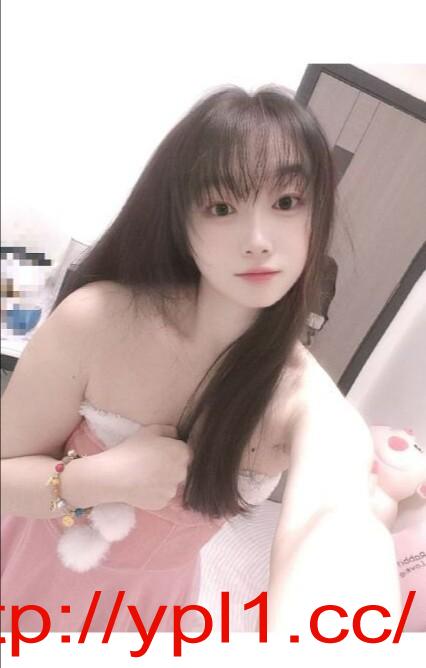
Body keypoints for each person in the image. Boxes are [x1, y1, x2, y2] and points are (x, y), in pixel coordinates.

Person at [1, 84, 401, 634]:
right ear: (181, 219)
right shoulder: (96, 319)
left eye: (286, 202)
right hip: (26, 572)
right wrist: (99, 478)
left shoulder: (302, 401)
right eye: (222, 207)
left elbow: (333, 522)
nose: (258, 239)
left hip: (150, 614)